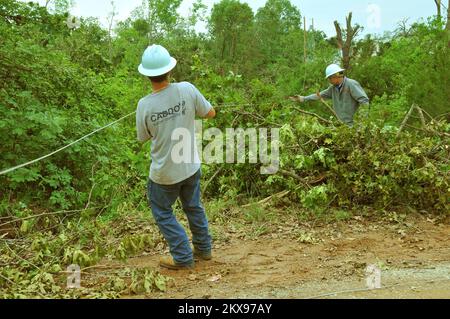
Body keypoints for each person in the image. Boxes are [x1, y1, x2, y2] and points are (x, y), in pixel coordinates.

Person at [136, 44, 216, 270]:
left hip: (164, 172)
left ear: (147, 75)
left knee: (162, 212)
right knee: (193, 206)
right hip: (190, 165)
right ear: (169, 70)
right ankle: (203, 249)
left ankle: (182, 256)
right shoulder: (187, 89)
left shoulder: (144, 105)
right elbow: (210, 113)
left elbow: (143, 137)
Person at [290, 64, 370, 126]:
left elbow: (364, 101)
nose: (329, 80)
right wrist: (303, 98)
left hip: (354, 125)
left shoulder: (351, 84)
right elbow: (319, 95)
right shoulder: (332, 89)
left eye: (329, 78)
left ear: (335, 76)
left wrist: (361, 123)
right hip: (341, 125)